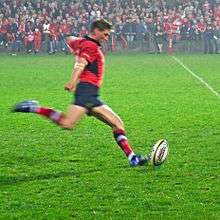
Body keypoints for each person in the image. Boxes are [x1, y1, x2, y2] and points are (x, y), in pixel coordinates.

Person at [12, 19, 151, 167]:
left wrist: (74, 43)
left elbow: (70, 40)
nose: (106, 37)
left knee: (117, 124)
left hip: (92, 94)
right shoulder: (90, 46)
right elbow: (81, 64)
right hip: (86, 91)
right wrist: (72, 81)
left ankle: (132, 158)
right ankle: (34, 107)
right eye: (105, 34)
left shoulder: (82, 42)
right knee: (68, 123)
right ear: (96, 31)